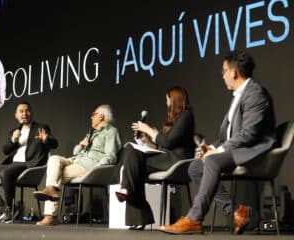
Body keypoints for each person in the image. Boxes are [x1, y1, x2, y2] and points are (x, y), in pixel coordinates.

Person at [160, 50, 276, 234]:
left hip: (254, 151)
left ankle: (194, 219)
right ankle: (237, 211)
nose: (222, 76)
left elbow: (248, 135)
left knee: (212, 160)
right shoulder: (239, 95)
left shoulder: (255, 94)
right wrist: (211, 147)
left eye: (223, 71)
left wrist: (218, 152)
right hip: (238, 148)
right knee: (195, 167)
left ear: (234, 72)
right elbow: (227, 134)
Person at [115, 86, 195, 230]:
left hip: (179, 161)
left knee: (134, 160)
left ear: (174, 99)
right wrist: (147, 141)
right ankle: (129, 196)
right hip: (168, 157)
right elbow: (164, 146)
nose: (166, 104)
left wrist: (148, 129)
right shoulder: (175, 119)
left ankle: (130, 196)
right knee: (132, 153)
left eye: (167, 100)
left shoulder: (185, 116)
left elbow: (169, 142)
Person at [33, 104, 122, 226]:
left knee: (55, 176)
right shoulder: (91, 132)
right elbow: (75, 152)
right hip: (76, 160)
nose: (91, 118)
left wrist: (97, 168)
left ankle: (50, 215)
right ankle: (51, 192)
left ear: (101, 116)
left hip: (89, 165)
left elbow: (110, 155)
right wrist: (81, 145)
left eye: (93, 115)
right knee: (53, 159)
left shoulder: (111, 132)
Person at [0, 101, 58, 223]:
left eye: (27, 110)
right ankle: (2, 206)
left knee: (5, 172)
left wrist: (46, 139)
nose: (25, 113)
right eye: (21, 111)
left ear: (31, 113)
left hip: (28, 165)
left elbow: (54, 143)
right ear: (16, 115)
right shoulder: (15, 131)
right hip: (12, 164)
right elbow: (5, 150)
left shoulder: (40, 128)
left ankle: (10, 209)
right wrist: (14, 139)